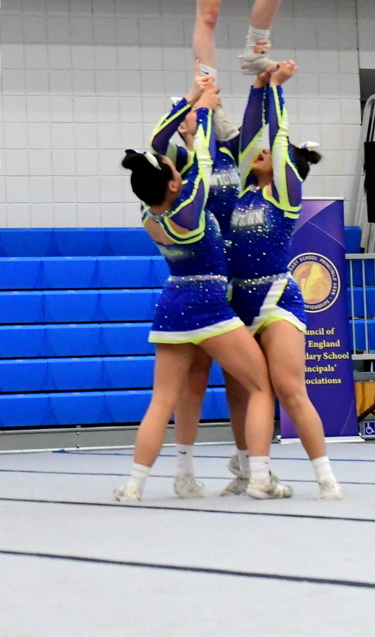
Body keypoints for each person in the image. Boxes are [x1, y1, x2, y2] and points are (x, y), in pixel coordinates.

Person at [114, 85, 287, 503]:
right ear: (174, 184)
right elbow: (203, 162)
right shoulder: (190, 206)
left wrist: (191, 101)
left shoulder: (148, 210)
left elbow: (162, 146)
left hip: (172, 305)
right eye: (173, 171)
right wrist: (204, 111)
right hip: (208, 304)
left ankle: (135, 484)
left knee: (161, 401)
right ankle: (258, 474)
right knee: (260, 385)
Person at [215, 63, 342, 499]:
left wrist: (277, 92)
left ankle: (325, 475)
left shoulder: (285, 195)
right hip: (238, 302)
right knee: (239, 392)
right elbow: (251, 132)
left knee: (289, 389)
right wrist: (257, 88)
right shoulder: (242, 190)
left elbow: (278, 138)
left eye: (268, 153)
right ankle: (250, 472)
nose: (261, 152)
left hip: (276, 298)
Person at [150, 76, 244, 496]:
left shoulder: (227, 151)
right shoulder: (180, 161)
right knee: (195, 379)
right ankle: (184, 470)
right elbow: (158, 139)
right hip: (202, 269)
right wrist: (194, 102)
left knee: (243, 378)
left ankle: (246, 463)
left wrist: (212, 106)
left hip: (238, 271)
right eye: (186, 115)